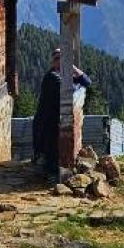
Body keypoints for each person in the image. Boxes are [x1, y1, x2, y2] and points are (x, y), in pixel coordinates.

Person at [33, 48, 92, 182]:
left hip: (55, 120)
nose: (60, 61)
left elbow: (87, 82)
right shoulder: (52, 77)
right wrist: (78, 83)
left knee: (54, 151)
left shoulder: (65, 75)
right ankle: (50, 178)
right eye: (57, 59)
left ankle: (51, 174)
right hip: (47, 121)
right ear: (53, 62)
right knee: (50, 151)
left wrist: (74, 69)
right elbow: (69, 91)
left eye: (63, 58)